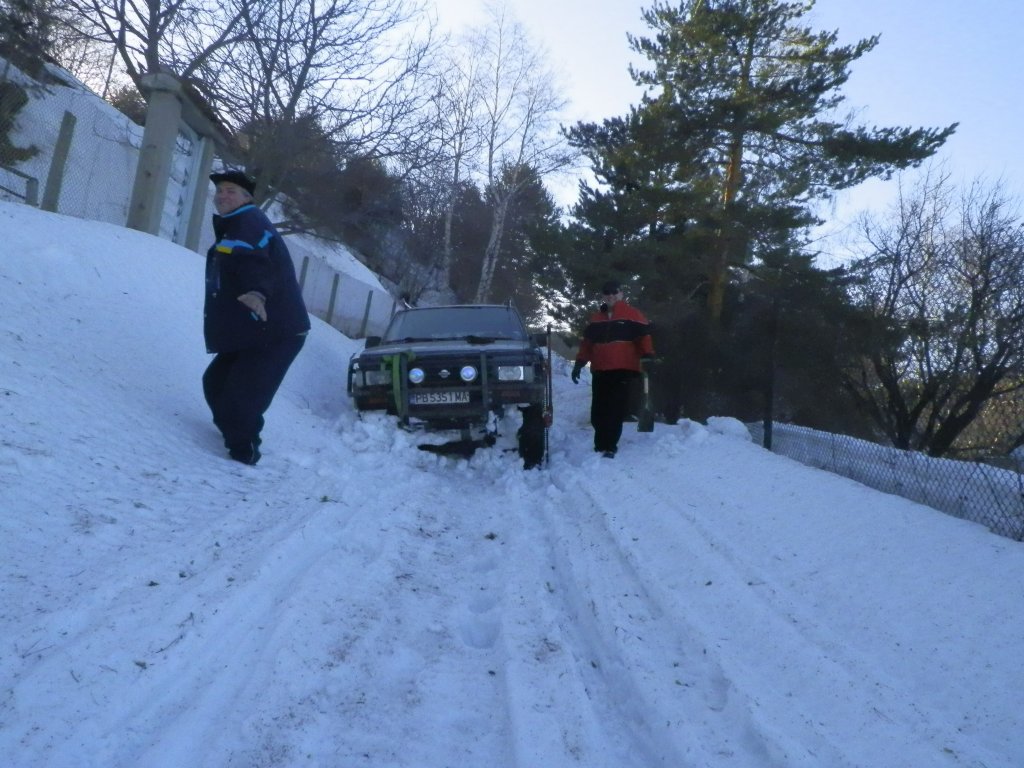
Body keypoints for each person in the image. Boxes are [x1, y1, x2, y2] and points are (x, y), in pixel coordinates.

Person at [202, 170, 310, 465]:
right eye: (220, 190)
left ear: (247, 198)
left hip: (277, 332)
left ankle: (243, 452)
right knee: (214, 383)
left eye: (231, 191)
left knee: (241, 399)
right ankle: (233, 432)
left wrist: (257, 293)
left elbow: (258, 265)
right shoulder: (236, 224)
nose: (223, 195)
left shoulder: (249, 223)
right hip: (252, 329)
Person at [571, 280, 654, 457]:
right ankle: (600, 444)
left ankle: (610, 446)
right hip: (600, 370)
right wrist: (579, 364)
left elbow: (644, 339)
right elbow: (587, 344)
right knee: (598, 410)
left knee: (615, 409)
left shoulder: (632, 315)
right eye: (606, 293)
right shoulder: (596, 319)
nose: (610, 296)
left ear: (621, 294)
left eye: (614, 292)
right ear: (603, 296)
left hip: (623, 369)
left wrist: (648, 357)